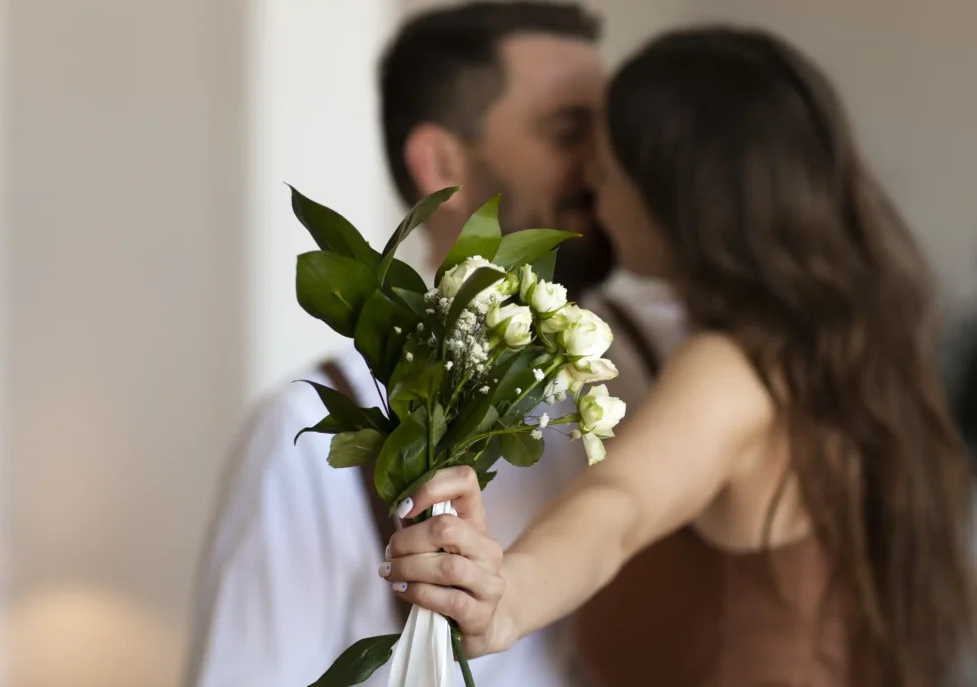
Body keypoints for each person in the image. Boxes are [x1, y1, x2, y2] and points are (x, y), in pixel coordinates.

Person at [384, 26, 977, 686]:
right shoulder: (843, 344)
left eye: (605, 170)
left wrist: (507, 597)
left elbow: (620, 506)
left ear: (672, 195)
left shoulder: (730, 368)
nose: (594, 195)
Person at [185, 4, 685, 686]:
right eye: (570, 131)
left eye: (610, 131)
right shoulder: (304, 440)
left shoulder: (670, 363)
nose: (605, 166)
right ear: (440, 161)